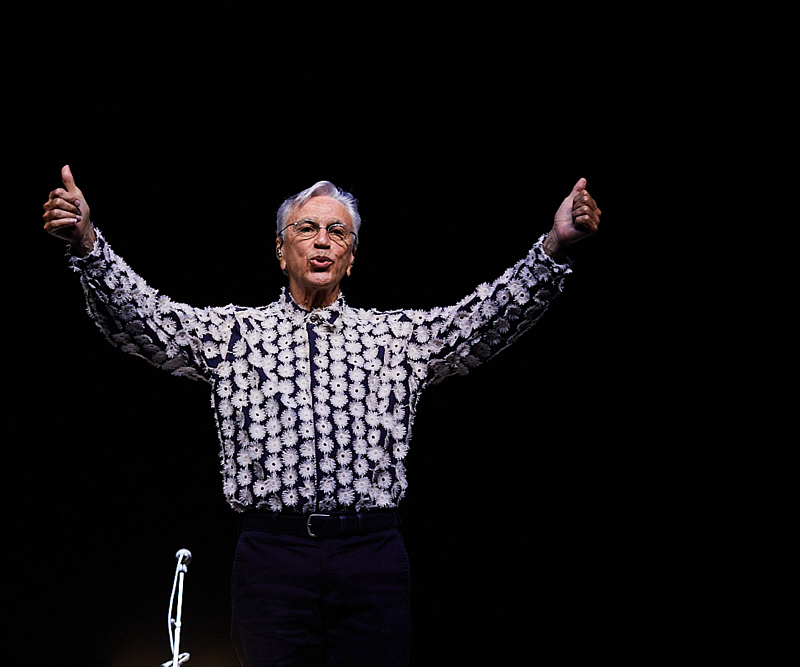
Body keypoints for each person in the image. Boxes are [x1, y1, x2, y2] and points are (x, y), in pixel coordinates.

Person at [42, 167, 600, 666]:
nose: (322, 241)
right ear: (281, 252)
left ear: (351, 259)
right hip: (272, 558)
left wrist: (556, 246)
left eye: (338, 232)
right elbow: (143, 322)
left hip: (371, 557)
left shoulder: (395, 339)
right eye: (306, 229)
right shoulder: (235, 337)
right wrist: (88, 245)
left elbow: (483, 322)